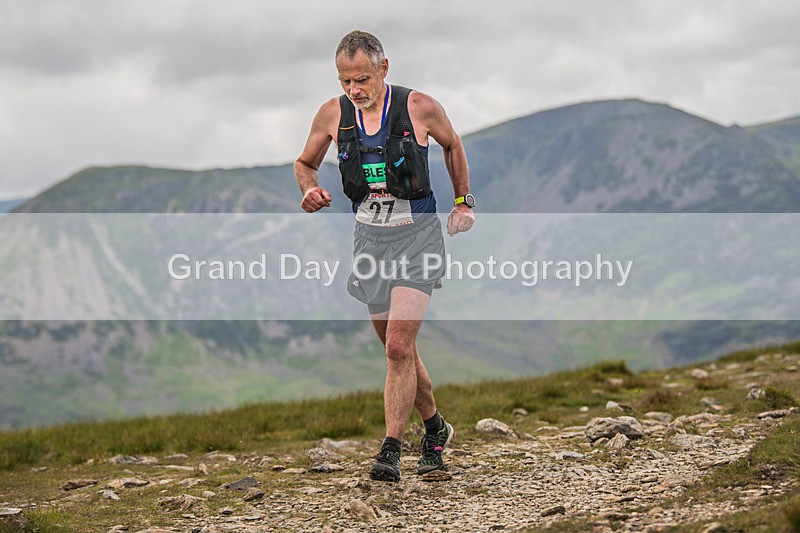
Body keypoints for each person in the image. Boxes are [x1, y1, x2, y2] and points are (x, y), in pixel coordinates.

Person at [294, 30, 475, 482]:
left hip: (418, 237)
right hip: (370, 241)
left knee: (397, 347)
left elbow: (453, 144)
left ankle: (391, 449)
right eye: (345, 81)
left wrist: (463, 202)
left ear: (383, 69)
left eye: (361, 79)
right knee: (399, 350)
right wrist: (309, 188)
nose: (354, 90)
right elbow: (305, 162)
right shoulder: (332, 114)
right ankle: (435, 427)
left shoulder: (419, 107)